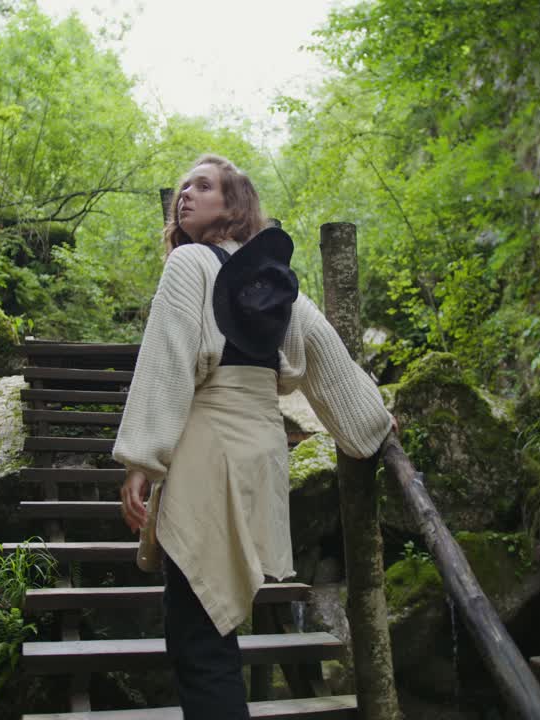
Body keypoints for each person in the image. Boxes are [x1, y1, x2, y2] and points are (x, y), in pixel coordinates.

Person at [112, 154, 393, 719]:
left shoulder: (189, 262)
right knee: (211, 629)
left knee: (197, 637)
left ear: (233, 204)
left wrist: (141, 459)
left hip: (208, 453)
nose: (185, 195)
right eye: (184, 187)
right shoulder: (278, 285)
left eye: (203, 186)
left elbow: (167, 359)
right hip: (261, 455)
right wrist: (374, 424)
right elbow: (329, 361)